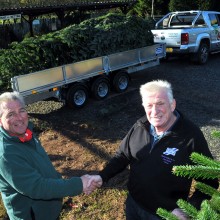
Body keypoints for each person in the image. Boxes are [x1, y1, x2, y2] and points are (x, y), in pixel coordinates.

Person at [89, 80, 218, 220]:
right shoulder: (140, 125)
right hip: (133, 204)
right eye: (149, 105)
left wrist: (188, 209)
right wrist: (102, 176)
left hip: (164, 215)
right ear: (144, 106)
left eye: (160, 104)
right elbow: (122, 156)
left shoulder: (190, 136)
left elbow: (210, 179)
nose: (154, 111)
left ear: (172, 104)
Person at [0, 91, 101, 220]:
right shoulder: (6, 154)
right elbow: (36, 187)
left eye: (22, 110)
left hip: (47, 211)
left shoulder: (26, 134)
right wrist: (79, 184)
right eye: (11, 114)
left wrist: (62, 182)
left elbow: (43, 165)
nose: (19, 118)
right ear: (0, 121)